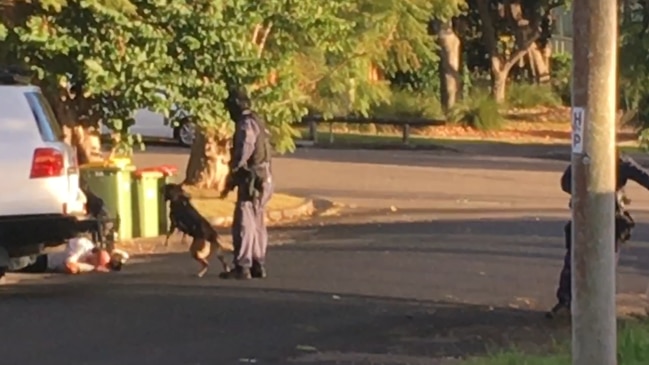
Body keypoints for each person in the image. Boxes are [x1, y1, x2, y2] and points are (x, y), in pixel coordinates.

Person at [547, 150, 649, 318]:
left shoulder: (592, 157)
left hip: (597, 216)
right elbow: (566, 183)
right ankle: (579, 304)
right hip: (597, 216)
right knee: (591, 259)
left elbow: (566, 183)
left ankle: (573, 303)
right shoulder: (612, 160)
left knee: (580, 259)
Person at [219, 87, 274, 280]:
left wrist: (235, 168)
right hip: (265, 177)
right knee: (258, 221)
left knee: (244, 223)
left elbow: (246, 147)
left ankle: (243, 265)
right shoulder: (259, 120)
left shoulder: (246, 124)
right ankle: (258, 263)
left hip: (251, 179)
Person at [11, 236, 128, 274]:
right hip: (44, 258)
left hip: (47, 266)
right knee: (17, 263)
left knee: (17, 267)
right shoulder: (82, 246)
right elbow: (69, 266)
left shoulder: (89, 257)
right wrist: (85, 267)